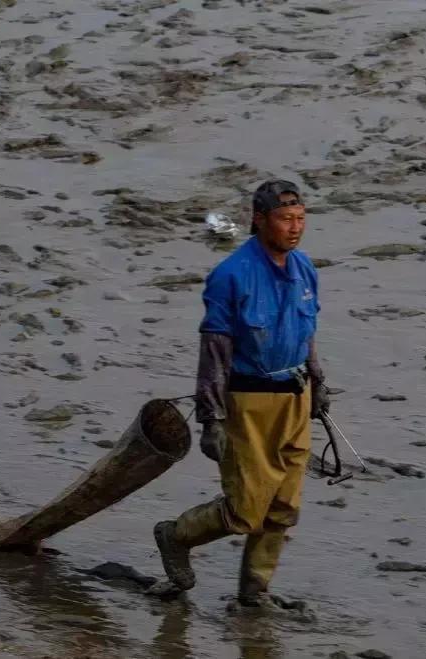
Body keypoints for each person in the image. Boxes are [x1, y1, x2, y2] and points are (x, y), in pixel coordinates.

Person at [154, 179, 330, 606]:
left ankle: (255, 592)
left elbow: (306, 333)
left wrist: (319, 382)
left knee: (283, 506)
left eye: (301, 219)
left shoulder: (305, 268)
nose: (295, 228)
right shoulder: (231, 276)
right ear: (259, 219)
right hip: (248, 404)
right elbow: (214, 353)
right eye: (285, 219)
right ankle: (176, 535)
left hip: (296, 397)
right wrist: (210, 419)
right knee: (245, 511)